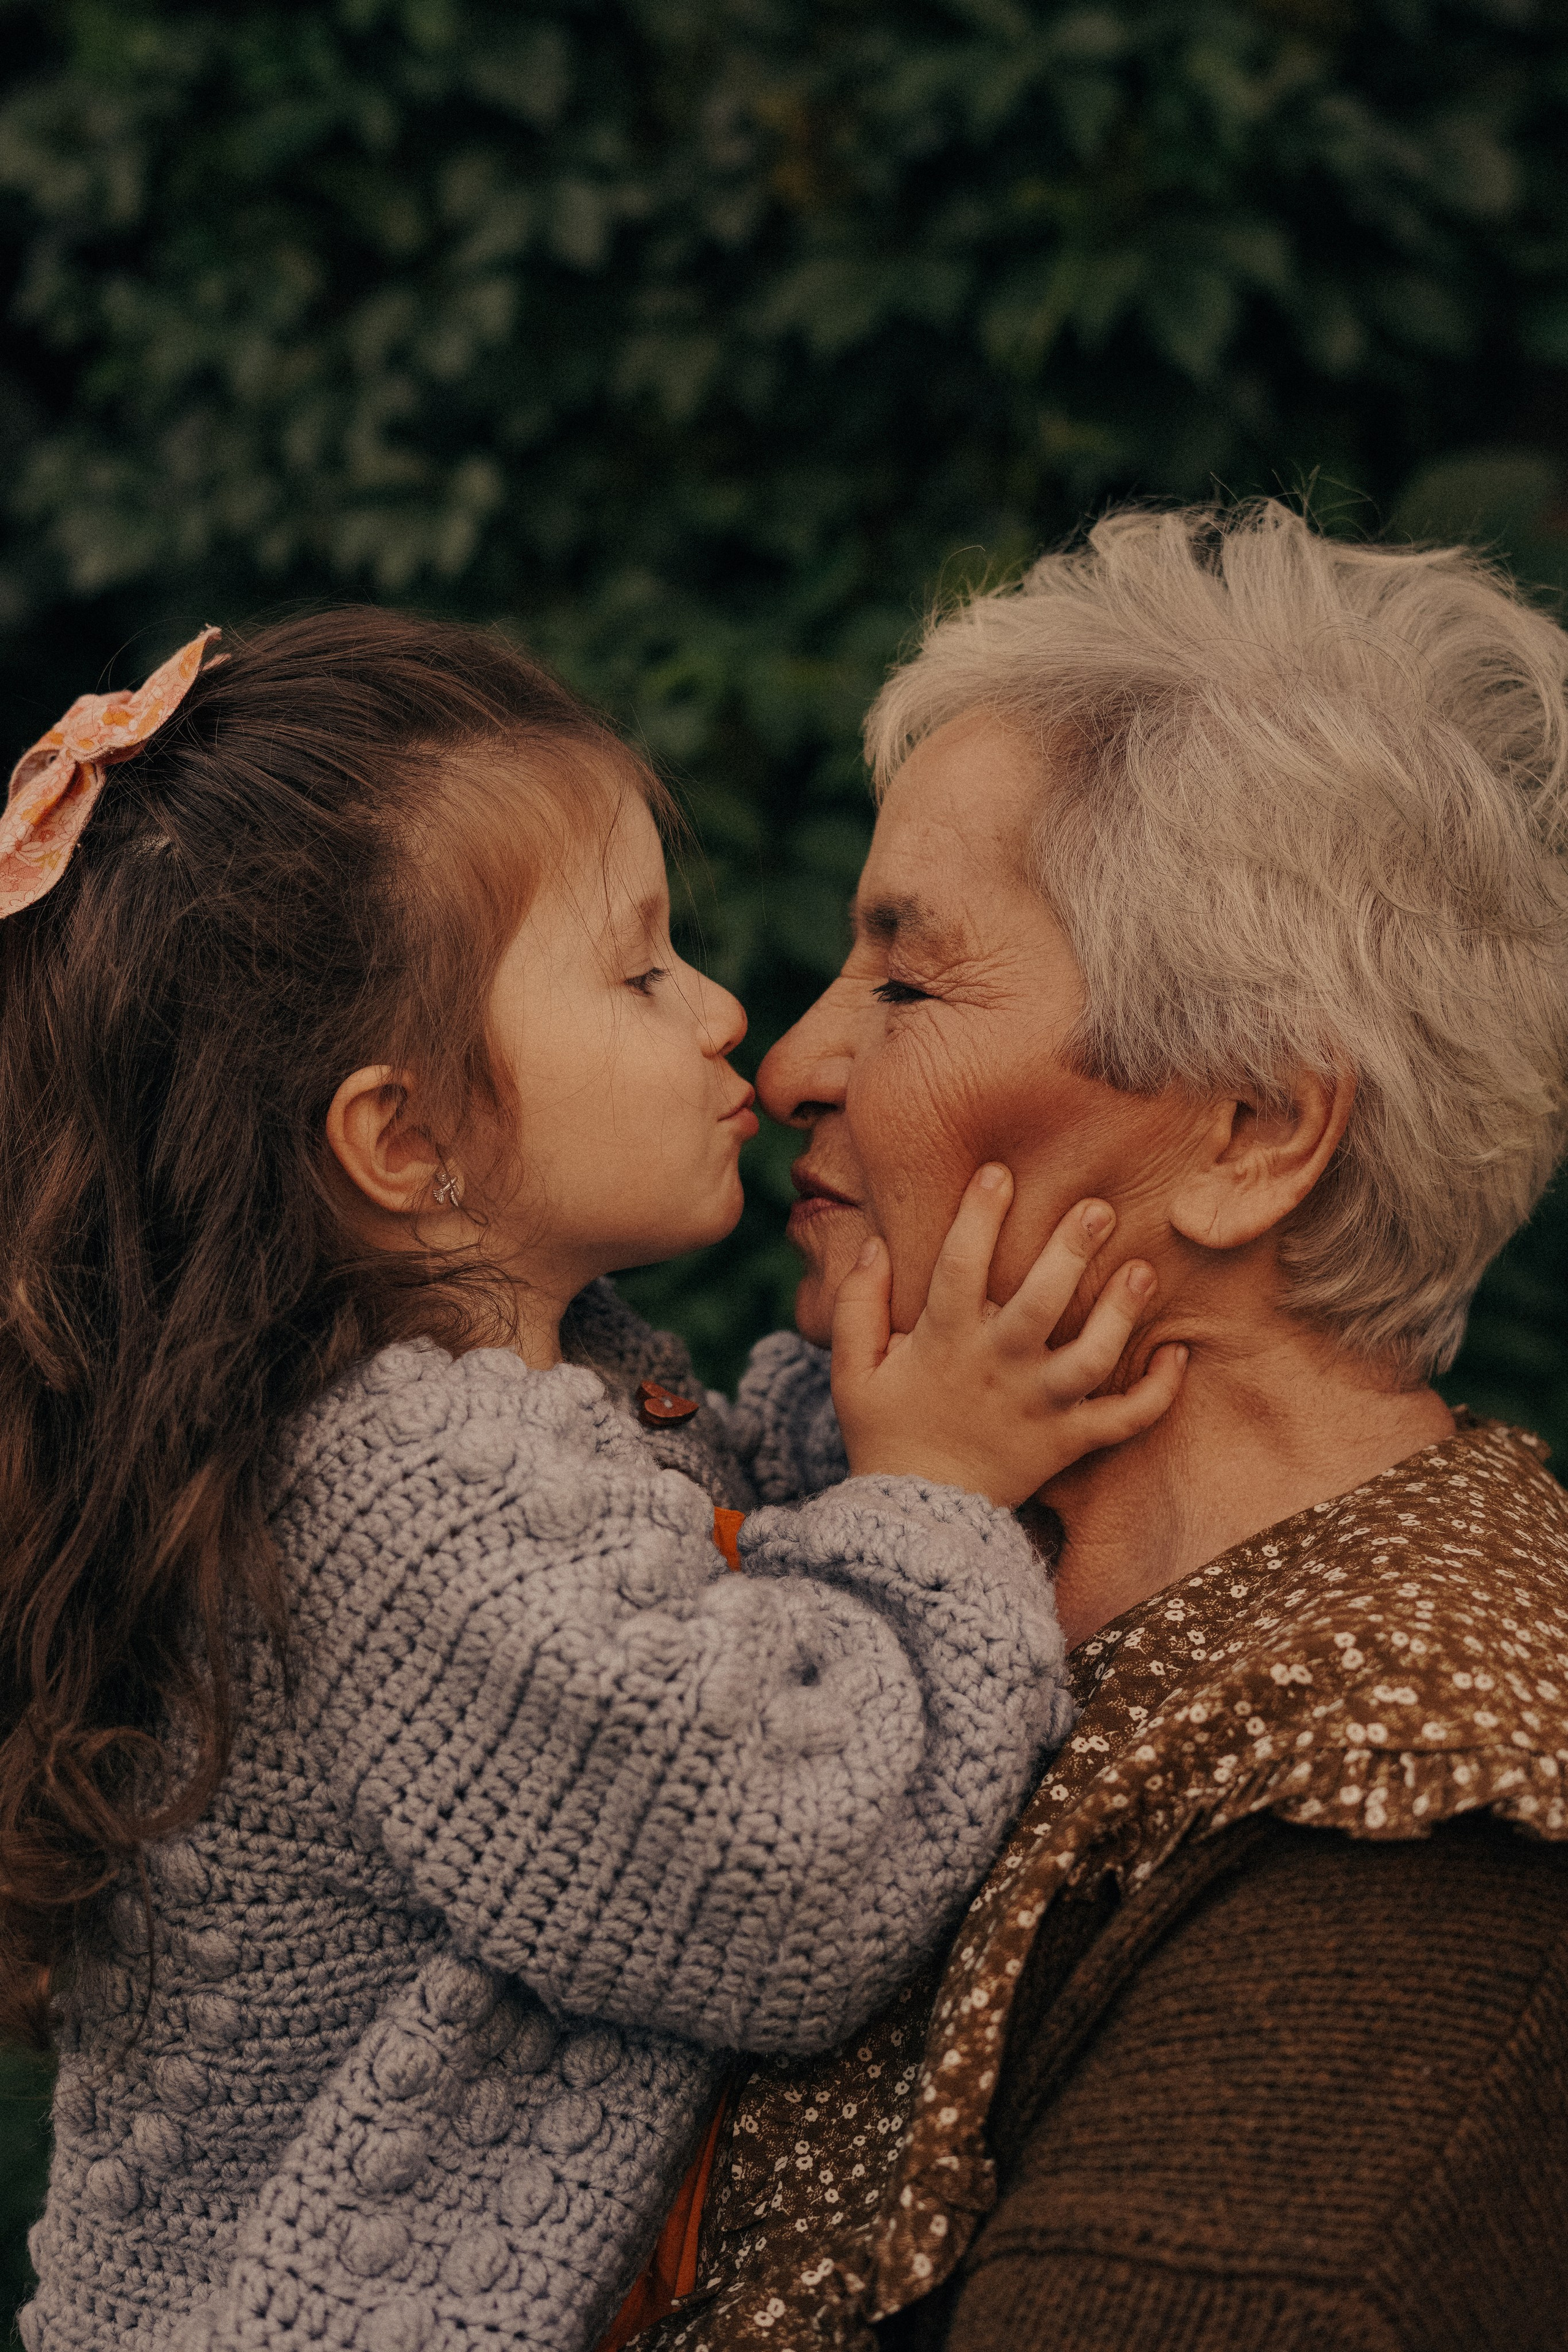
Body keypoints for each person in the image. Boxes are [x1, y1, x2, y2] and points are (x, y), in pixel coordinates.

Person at [0, 612, 1189, 2352]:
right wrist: (936, 1485)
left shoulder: (505, 1414)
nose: (728, 1015)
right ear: (402, 1141)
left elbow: (706, 1573)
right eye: (638, 976)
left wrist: (884, 1427)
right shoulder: (405, 1507)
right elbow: (785, 1874)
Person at [638, 501, 1568, 2351]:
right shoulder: (872, 1529)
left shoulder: (1402, 1837)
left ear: (1252, 1135)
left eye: (910, 978)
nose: (794, 1059)